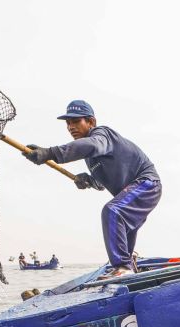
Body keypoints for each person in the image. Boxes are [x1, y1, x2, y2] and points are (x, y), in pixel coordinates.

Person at [23, 100, 161, 279]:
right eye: (68, 123)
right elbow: (101, 183)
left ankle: (122, 267)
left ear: (91, 122)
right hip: (135, 190)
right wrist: (88, 180)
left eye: (76, 121)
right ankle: (128, 264)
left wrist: (50, 153)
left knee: (113, 211)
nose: (71, 127)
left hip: (147, 184)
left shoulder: (102, 135)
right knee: (124, 228)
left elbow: (93, 145)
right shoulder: (90, 158)